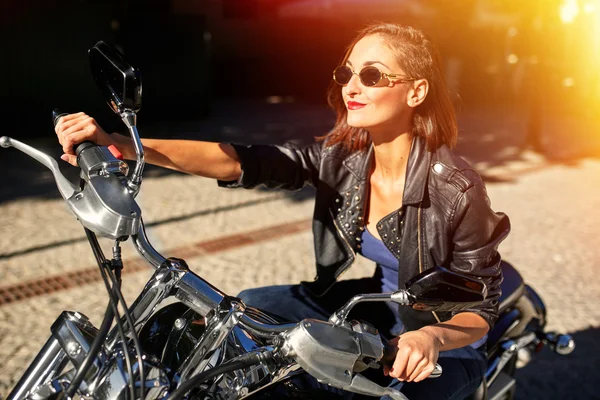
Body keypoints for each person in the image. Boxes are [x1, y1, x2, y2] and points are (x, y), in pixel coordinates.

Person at [55, 23, 510, 400]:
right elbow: (242, 160)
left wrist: (429, 338)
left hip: (442, 342)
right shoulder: (346, 159)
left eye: (371, 76)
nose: (351, 86)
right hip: (377, 302)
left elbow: (480, 312)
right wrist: (120, 145)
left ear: (416, 92)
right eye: (347, 73)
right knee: (244, 312)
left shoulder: (456, 189)